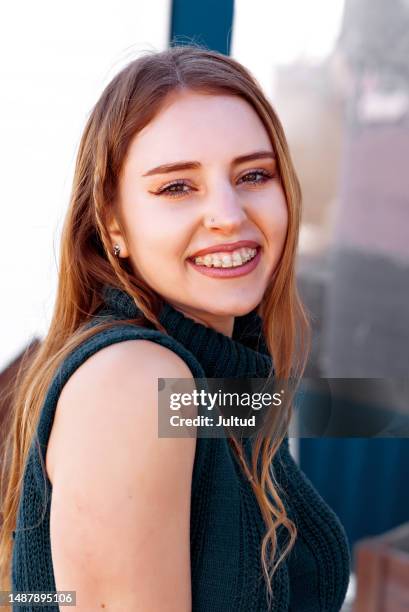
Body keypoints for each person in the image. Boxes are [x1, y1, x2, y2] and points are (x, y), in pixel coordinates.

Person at [0, 45, 350, 611]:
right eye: (177, 187)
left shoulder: (227, 373)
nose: (229, 214)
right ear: (112, 223)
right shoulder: (136, 382)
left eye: (254, 174)